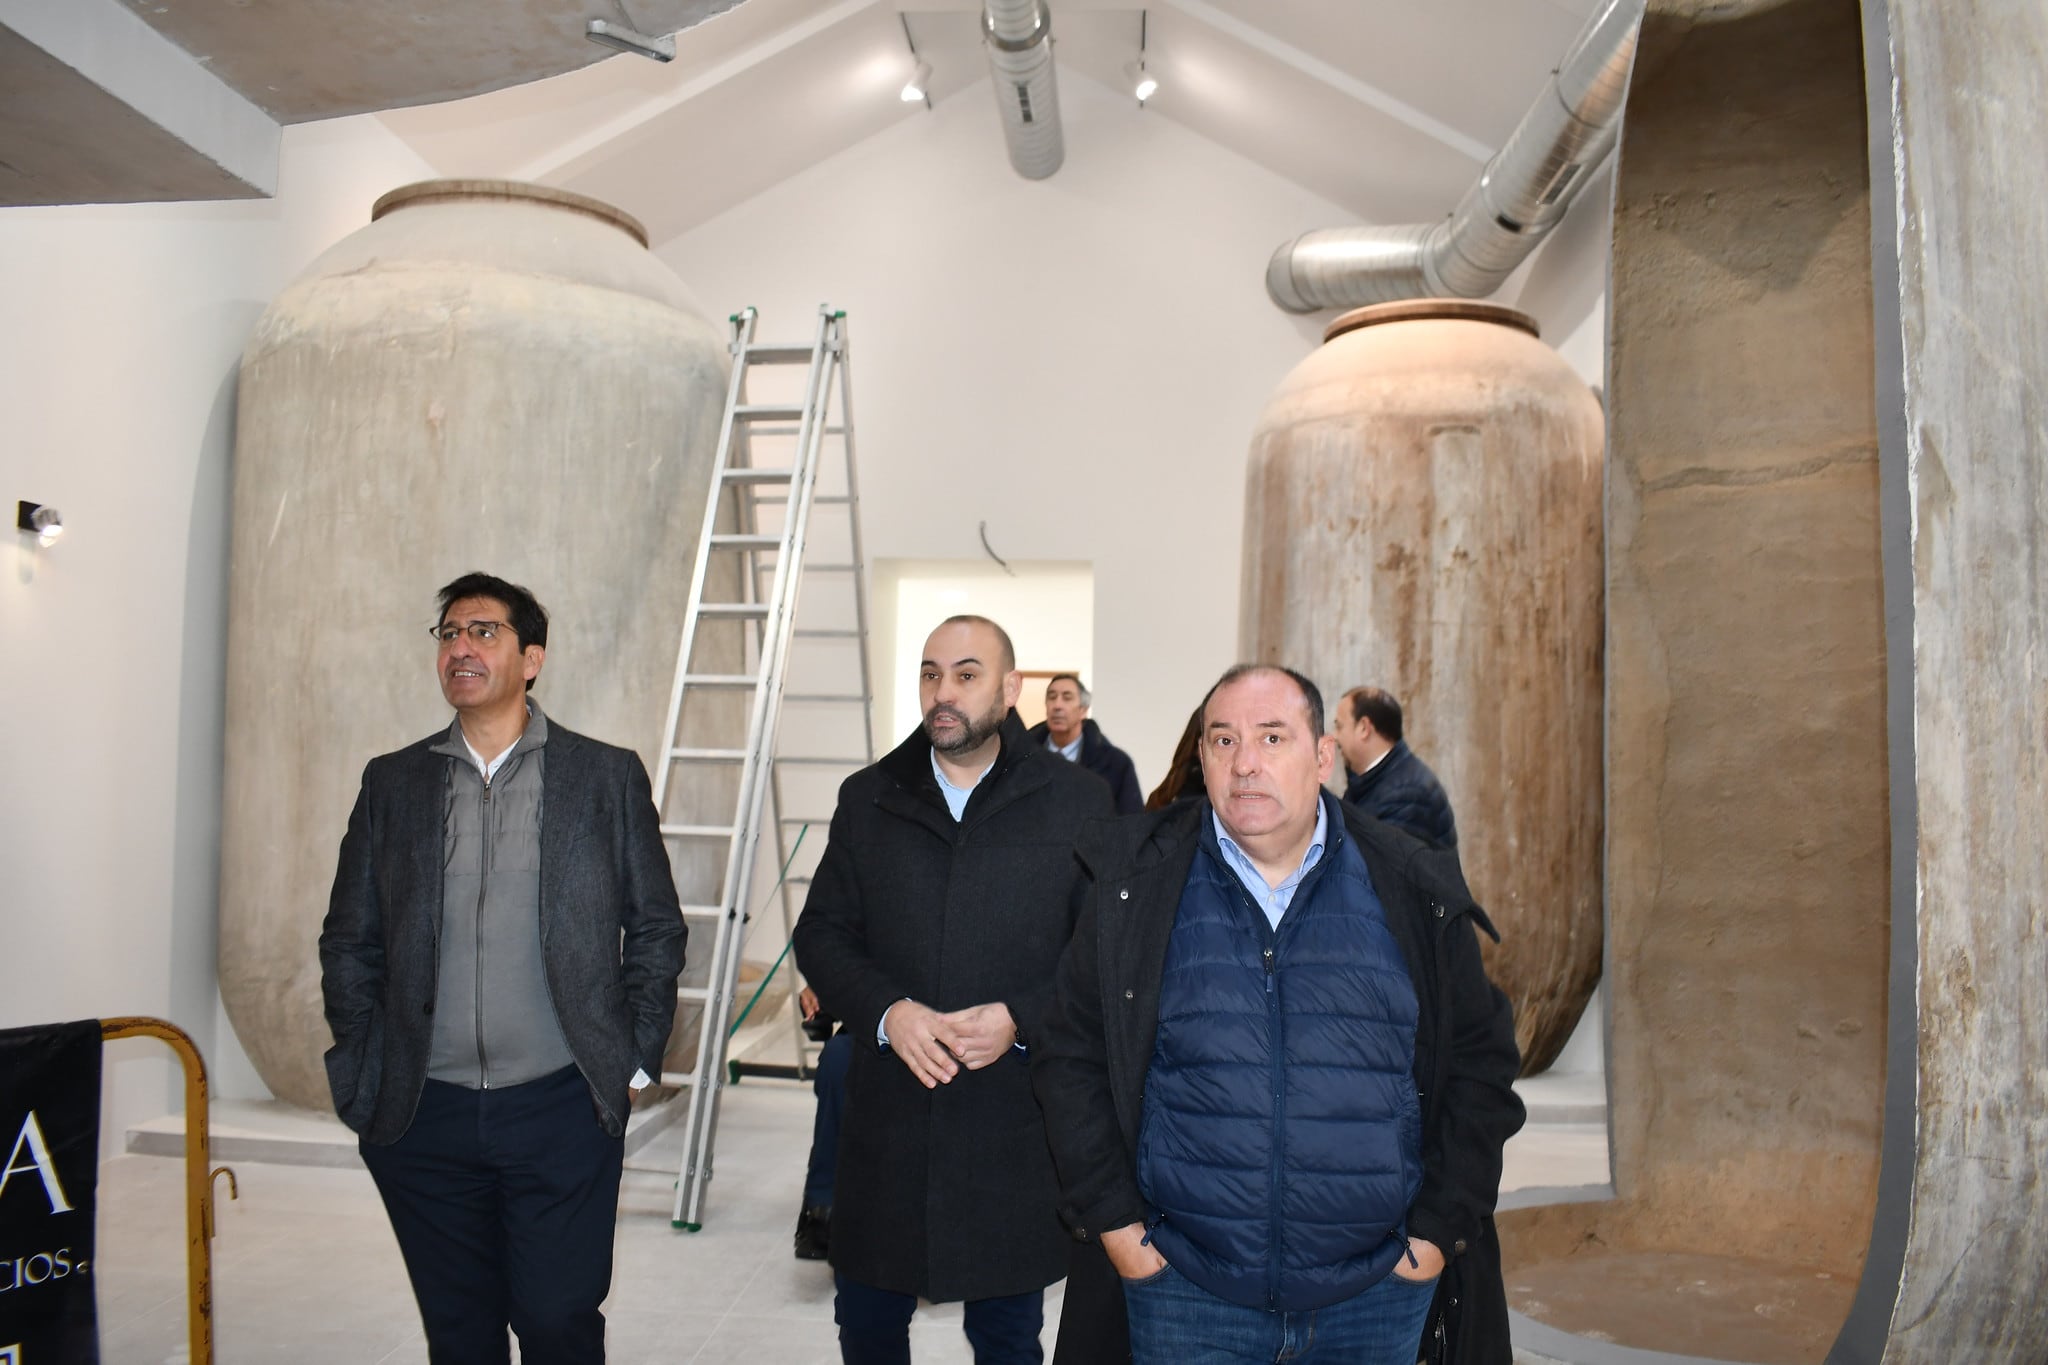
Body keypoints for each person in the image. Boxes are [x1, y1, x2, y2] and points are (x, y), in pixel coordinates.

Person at [1032, 664, 1524, 1364]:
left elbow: (1482, 1064)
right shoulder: (1133, 889)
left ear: (1323, 756)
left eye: (1272, 737)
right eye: (1224, 740)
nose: (1246, 764)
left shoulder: (1410, 886)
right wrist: (1118, 1227)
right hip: (1186, 1293)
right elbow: (1070, 1054)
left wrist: (1434, 1235)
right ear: (1200, 756)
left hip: (1373, 1297)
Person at [319, 572, 686, 1364]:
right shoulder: (394, 781)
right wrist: (362, 1061)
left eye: (484, 631)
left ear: (532, 659)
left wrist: (629, 1061)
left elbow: (655, 928)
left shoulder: (603, 776)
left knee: (557, 1321)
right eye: (449, 633)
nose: (461, 647)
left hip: (560, 1106)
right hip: (424, 1111)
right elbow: (351, 935)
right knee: (459, 1333)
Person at [792, 615, 1115, 1364]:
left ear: (1010, 687)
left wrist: (1020, 1017)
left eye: (966, 675)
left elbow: (1100, 949)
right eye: (931, 673)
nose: (944, 692)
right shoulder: (868, 796)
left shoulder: (1078, 802)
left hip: (1008, 1117)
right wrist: (886, 1012)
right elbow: (822, 934)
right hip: (889, 1119)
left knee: (1006, 1336)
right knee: (868, 1325)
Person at [1331, 685, 1459, 849]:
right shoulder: (1370, 780)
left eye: (1339, 726)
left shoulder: (1408, 794)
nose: (1334, 736)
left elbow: (1374, 866)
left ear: (1364, 728)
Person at [793, 984, 852, 1261]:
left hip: (956, 1029)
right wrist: (822, 989)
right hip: (881, 1027)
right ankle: (821, 1209)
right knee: (838, 1058)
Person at [1028, 673, 1145, 813]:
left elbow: (1131, 823)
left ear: (1083, 710)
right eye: (1052, 697)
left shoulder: (1115, 764)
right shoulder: (1024, 758)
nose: (1057, 705)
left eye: (1067, 698)